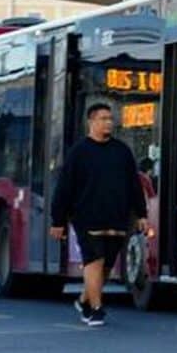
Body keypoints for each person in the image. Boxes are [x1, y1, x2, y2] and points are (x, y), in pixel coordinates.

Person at [50, 103, 148, 327]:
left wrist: (141, 214)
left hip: (116, 217)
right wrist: (58, 221)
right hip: (86, 217)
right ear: (91, 122)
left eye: (110, 119)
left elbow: (134, 184)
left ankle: (85, 299)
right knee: (94, 261)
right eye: (103, 119)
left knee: (107, 266)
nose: (108, 123)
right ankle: (95, 309)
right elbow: (65, 188)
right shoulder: (79, 152)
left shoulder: (121, 151)